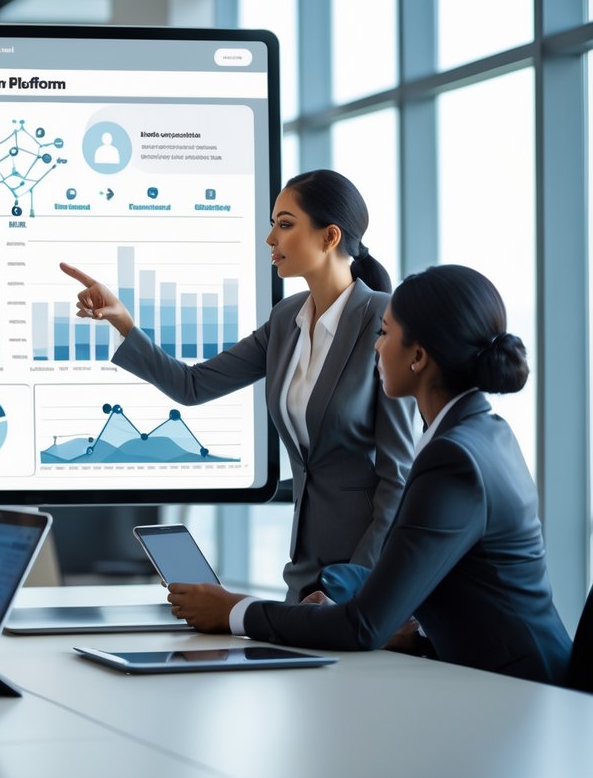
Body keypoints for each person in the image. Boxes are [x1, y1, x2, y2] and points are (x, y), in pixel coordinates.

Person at [169, 265, 573, 685]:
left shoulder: (452, 459)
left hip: (527, 696)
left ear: (418, 357)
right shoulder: (485, 432)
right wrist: (406, 634)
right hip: (506, 679)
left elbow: (362, 627)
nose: (376, 348)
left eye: (384, 333)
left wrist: (234, 610)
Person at [63, 170, 415, 601]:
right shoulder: (286, 320)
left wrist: (353, 581)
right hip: (305, 572)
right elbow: (193, 386)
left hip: (362, 577)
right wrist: (123, 323)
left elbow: (397, 477)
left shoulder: (383, 319)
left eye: (284, 225)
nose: (270, 238)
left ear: (329, 237)